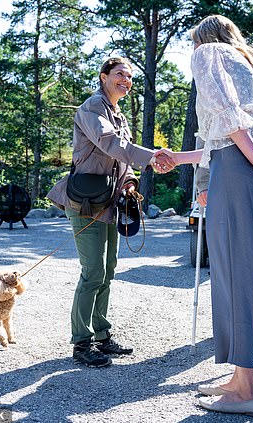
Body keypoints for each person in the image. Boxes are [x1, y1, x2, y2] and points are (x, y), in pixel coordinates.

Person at [160, 15, 253, 416]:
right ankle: (242, 377)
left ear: (202, 39)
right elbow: (234, 137)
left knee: (235, 275)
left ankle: (247, 391)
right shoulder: (252, 64)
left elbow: (230, 122)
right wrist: (179, 158)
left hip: (242, 174)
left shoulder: (208, 54)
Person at [47, 57, 174, 368]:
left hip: (110, 201)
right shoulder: (92, 107)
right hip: (85, 203)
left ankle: (102, 336)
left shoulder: (119, 114)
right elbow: (109, 143)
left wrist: (130, 182)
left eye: (129, 76)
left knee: (108, 270)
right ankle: (82, 343)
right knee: (92, 272)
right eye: (119, 74)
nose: (126, 80)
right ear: (103, 77)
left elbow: (123, 160)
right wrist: (154, 155)